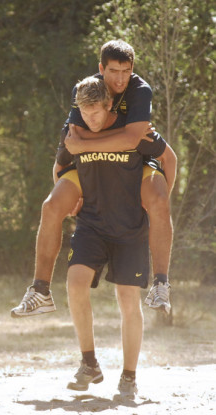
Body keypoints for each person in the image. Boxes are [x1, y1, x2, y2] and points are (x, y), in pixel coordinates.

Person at [11, 40, 174, 318]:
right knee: (51, 207)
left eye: (126, 70)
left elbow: (134, 140)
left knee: (158, 200)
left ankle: (160, 284)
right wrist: (75, 195)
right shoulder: (85, 90)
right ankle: (40, 290)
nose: (120, 78)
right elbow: (70, 143)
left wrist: (156, 206)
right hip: (86, 168)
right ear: (101, 69)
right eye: (113, 71)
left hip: (135, 164)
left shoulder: (140, 89)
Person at [62, 76, 175, 397]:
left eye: (95, 113)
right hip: (92, 225)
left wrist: (161, 199)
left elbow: (170, 158)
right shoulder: (74, 132)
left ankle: (128, 377)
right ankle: (89, 363)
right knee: (75, 282)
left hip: (130, 228)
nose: (89, 120)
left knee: (128, 300)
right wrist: (71, 195)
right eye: (83, 113)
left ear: (109, 104)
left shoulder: (135, 134)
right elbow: (60, 165)